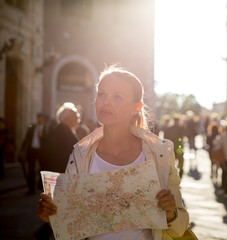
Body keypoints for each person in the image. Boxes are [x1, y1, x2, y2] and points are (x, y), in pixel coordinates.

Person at [36, 65, 189, 239]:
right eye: (102, 94)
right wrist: (50, 215)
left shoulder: (159, 153)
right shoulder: (81, 153)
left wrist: (171, 214)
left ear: (136, 107)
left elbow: (180, 227)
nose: (106, 102)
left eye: (117, 96)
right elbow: (68, 225)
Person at [34, 103, 80, 240]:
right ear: (66, 118)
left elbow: (43, 156)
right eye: (75, 115)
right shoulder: (65, 134)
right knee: (59, 211)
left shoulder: (56, 131)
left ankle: (43, 233)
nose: (78, 117)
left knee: (57, 211)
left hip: (54, 178)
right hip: (62, 179)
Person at [19, 113, 46, 195]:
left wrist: (42, 137)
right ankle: (31, 188)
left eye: (41, 118)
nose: (39, 119)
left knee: (42, 169)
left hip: (41, 151)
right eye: (38, 118)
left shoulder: (46, 128)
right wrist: (23, 150)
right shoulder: (32, 127)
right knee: (31, 169)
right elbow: (27, 139)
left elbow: (48, 141)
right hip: (32, 150)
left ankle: (41, 186)